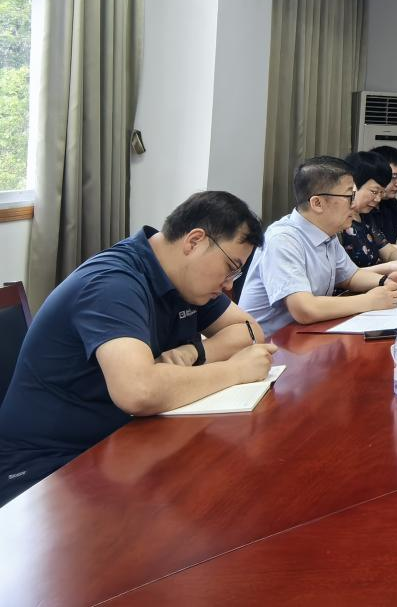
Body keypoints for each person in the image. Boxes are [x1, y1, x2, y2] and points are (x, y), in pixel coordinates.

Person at [0, 191, 277, 506]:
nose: (229, 284)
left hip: (119, 445)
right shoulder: (113, 284)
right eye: (230, 267)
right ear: (194, 241)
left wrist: (196, 353)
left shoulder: (185, 281)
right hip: (44, 469)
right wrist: (235, 371)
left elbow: (250, 331)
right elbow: (138, 391)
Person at [238, 156, 397, 336]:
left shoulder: (327, 233)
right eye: (349, 196)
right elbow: (304, 309)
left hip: (307, 335)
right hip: (271, 344)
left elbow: (350, 276)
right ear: (317, 203)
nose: (354, 204)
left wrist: (385, 282)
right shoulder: (283, 240)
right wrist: (370, 301)